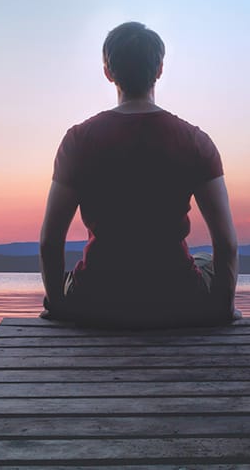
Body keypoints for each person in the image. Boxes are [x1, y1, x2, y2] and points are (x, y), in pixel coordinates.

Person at [39, 21, 239, 328]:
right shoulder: (196, 141)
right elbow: (226, 244)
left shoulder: (78, 141)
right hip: (177, 298)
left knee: (70, 280)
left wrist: (57, 306)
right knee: (205, 260)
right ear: (159, 69)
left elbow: (50, 242)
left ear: (108, 72)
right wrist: (223, 309)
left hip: (96, 298)